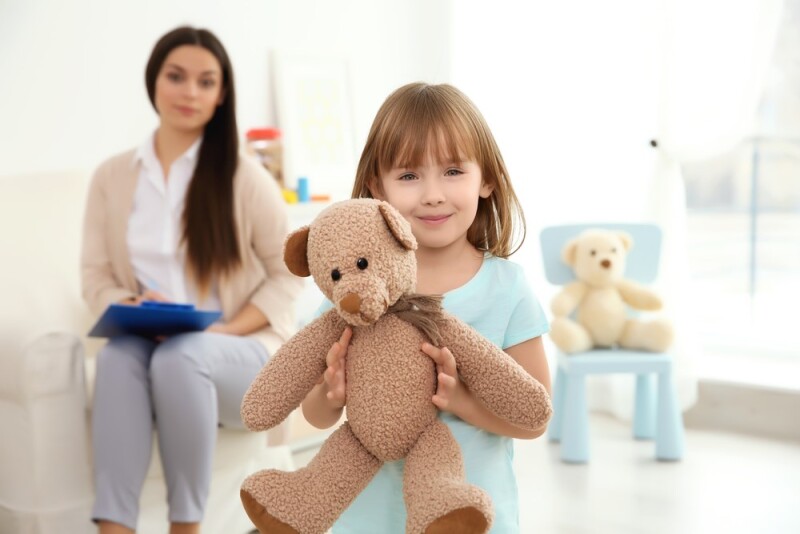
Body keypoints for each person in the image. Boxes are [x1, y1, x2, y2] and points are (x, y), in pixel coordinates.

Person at [300, 82, 552, 533]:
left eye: (454, 171)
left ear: (487, 178)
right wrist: (330, 395)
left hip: (469, 516)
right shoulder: (354, 291)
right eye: (409, 176)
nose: (433, 194)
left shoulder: (506, 288)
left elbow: (534, 418)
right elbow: (316, 416)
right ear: (378, 185)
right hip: (366, 519)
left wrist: (461, 402)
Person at [80, 26, 302, 534]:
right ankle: (113, 528)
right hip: (148, 339)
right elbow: (94, 275)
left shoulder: (244, 179)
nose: (189, 92)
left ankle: (187, 526)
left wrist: (225, 330)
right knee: (115, 358)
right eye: (176, 77)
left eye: (206, 82)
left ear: (221, 94)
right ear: (154, 81)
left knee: (184, 354)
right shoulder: (112, 178)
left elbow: (289, 272)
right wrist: (133, 304)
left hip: (242, 352)